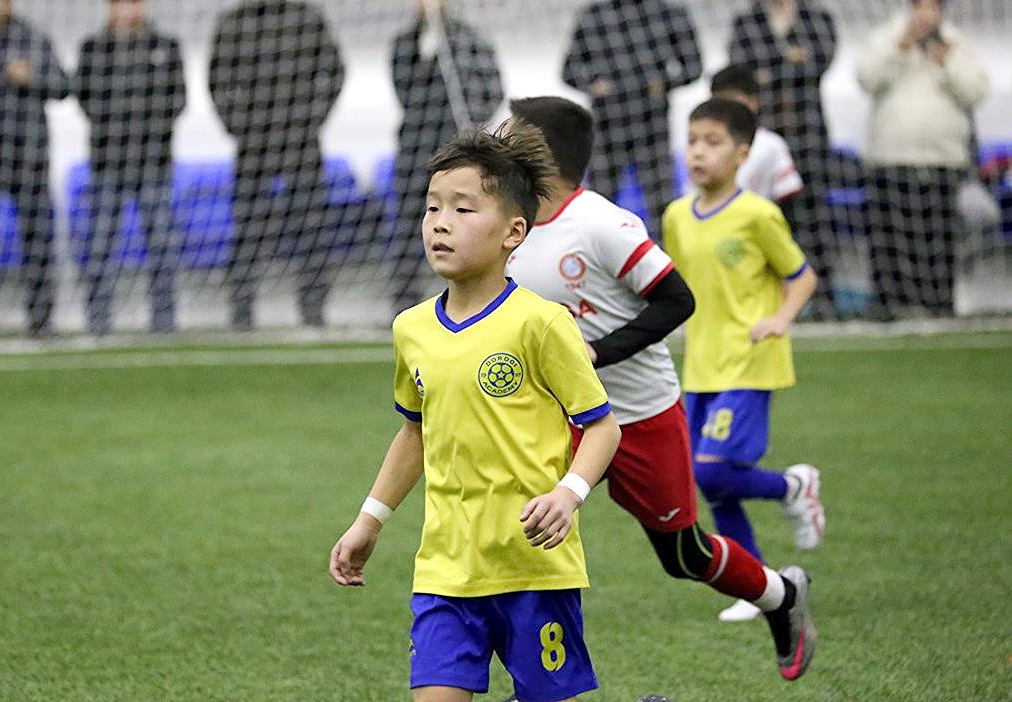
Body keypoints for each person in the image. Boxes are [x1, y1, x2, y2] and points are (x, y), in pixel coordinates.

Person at [506, 96, 818, 675]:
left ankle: (782, 595)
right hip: (563, 419)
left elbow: (677, 300)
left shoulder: (601, 224)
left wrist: (595, 353)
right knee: (524, 532)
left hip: (640, 416)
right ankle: (541, 679)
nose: (501, 141)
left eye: (512, 133)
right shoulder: (511, 227)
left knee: (683, 554)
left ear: (542, 154)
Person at [330, 124, 623, 702]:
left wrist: (568, 494)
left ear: (514, 232)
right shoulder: (411, 328)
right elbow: (414, 433)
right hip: (445, 570)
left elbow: (601, 426)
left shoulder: (541, 323)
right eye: (432, 207)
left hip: (533, 568)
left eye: (463, 209)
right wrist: (369, 520)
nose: (440, 223)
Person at [662, 99, 825, 625]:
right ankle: (758, 587)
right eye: (692, 141)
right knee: (708, 482)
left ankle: (793, 487)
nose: (698, 152)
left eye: (712, 142)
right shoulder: (676, 216)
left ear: (742, 153)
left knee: (711, 470)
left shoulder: (758, 214)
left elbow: (802, 276)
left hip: (750, 360)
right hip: (701, 364)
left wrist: (781, 318)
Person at [208, 0, 346, 330]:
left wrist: (312, 119)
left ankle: (313, 309)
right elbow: (216, 82)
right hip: (252, 143)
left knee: (311, 227)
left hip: (301, 141)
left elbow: (335, 71)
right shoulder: (233, 22)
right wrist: (238, 125)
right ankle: (241, 311)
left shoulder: (307, 17)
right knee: (247, 228)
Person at [856, 0, 990, 318]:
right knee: (889, 238)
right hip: (891, 158)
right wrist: (900, 47)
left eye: (932, 7)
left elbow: (976, 91)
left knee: (939, 240)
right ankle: (888, 307)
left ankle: (940, 305)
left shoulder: (956, 42)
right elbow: (866, 78)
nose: (925, 15)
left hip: (943, 159)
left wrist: (948, 60)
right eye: (920, 6)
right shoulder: (888, 36)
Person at [75, 0, 185, 335]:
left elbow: (178, 99)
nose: (125, 11)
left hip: (154, 163)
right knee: (99, 247)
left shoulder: (166, 46)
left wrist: (147, 131)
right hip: (107, 165)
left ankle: (164, 322)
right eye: (118, 4)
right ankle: (98, 323)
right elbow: (84, 98)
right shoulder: (93, 48)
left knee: (162, 246)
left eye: (132, 3)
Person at [387, 0, 503, 316]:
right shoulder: (405, 42)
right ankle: (404, 298)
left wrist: (469, 123)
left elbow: (493, 89)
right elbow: (402, 89)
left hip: (458, 150)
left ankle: (468, 294)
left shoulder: (469, 39)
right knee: (410, 223)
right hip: (415, 150)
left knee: (464, 220)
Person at [728, 0, 837, 318]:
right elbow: (743, 72)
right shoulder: (746, 21)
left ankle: (822, 298)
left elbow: (820, 62)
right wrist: (791, 59)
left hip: (808, 136)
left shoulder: (817, 18)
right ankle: (763, 295)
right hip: (762, 134)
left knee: (814, 217)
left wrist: (769, 68)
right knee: (760, 216)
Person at [561, 0, 702, 237]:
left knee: (661, 204)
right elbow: (568, 71)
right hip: (607, 128)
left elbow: (694, 66)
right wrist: (593, 86)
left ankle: (666, 255)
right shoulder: (594, 15)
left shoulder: (669, 14)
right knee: (600, 203)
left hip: (652, 127)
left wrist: (664, 83)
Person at [0, 0, 68, 337]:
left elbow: (63, 86)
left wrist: (32, 78)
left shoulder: (33, 37)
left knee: (38, 241)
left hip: (27, 157)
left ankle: (41, 320)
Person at [710, 64, 803, 203]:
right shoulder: (707, 143)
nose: (726, 108)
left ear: (753, 102)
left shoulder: (771, 144)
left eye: (732, 100)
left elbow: (788, 193)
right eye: (719, 101)